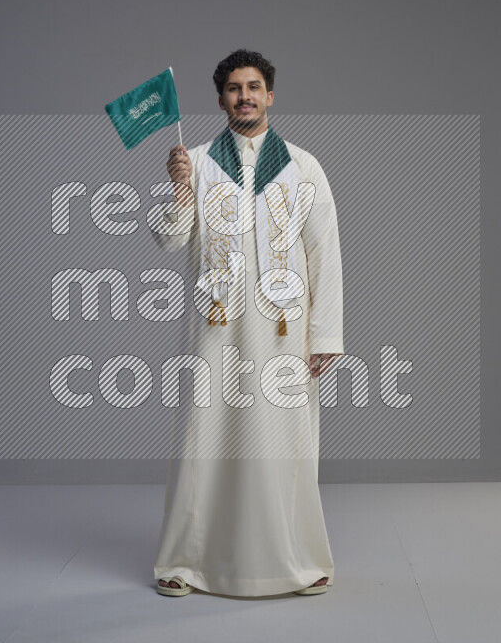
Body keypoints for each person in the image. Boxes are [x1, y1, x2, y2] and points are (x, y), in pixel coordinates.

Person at [152, 49, 344, 597]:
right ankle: (185, 563)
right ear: (220, 100)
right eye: (235, 88)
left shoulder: (304, 166)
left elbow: (324, 252)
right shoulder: (197, 160)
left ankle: (299, 560)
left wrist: (325, 333)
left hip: (285, 331)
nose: (245, 96)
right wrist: (180, 188)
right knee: (203, 441)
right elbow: (169, 238)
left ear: (271, 95)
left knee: (286, 444)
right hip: (216, 330)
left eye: (254, 86)